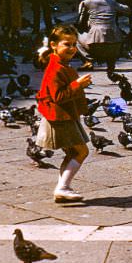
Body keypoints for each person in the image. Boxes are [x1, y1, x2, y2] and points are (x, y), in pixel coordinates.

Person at [36, 24, 93, 203]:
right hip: (60, 117)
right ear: (54, 45)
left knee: (73, 153)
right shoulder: (55, 68)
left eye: (74, 44)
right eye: (67, 44)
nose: (72, 48)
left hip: (64, 115)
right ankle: (62, 188)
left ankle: (63, 188)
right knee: (81, 152)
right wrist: (78, 85)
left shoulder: (60, 64)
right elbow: (58, 96)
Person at [76, 0, 131, 73]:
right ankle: (111, 64)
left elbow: (80, 22)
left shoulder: (86, 2)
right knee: (112, 40)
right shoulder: (111, 1)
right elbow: (128, 10)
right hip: (115, 42)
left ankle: (88, 61)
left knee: (75, 35)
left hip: (95, 43)